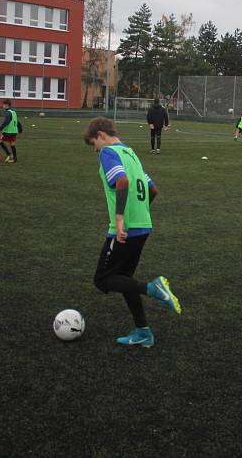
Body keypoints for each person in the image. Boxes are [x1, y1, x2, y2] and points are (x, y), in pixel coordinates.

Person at [84, 117, 181, 348]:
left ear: (100, 135)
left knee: (103, 279)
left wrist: (119, 220)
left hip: (124, 229)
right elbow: (153, 189)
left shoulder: (108, 152)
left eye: (92, 144)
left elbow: (122, 181)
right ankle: (143, 332)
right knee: (124, 280)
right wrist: (141, 213)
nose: (94, 149)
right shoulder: (132, 154)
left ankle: (153, 288)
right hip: (143, 226)